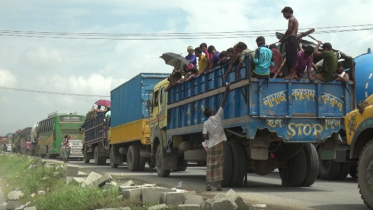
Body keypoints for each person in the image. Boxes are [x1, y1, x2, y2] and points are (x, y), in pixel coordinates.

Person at [202, 84, 229, 191]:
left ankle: (208, 185)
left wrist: (210, 136)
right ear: (212, 112)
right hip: (219, 143)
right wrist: (226, 91)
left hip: (211, 145)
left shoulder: (206, 123)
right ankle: (219, 186)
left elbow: (204, 136)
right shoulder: (218, 117)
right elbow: (223, 103)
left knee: (210, 165)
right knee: (219, 165)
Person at [279, 7, 299, 77]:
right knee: (292, 57)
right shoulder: (295, 19)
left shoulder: (291, 19)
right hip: (293, 39)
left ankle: (291, 74)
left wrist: (283, 38)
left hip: (291, 39)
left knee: (291, 58)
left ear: (288, 12)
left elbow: (289, 30)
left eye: (284, 14)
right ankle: (293, 74)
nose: (284, 16)